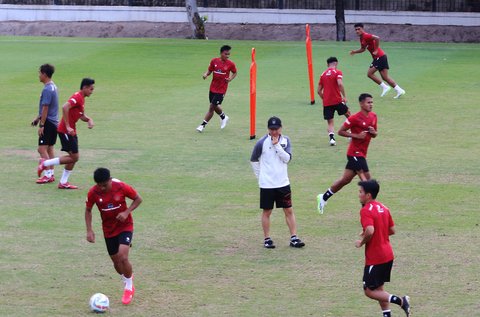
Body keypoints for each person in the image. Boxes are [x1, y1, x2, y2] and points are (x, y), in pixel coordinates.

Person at [85, 167, 143, 305]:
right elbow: (88, 210)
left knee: (123, 256)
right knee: (116, 262)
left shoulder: (121, 187)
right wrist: (89, 230)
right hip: (108, 230)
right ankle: (126, 278)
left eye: (105, 184)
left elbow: (138, 199)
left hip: (125, 226)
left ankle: (129, 287)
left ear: (110, 180)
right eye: (99, 185)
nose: (102, 188)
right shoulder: (93, 192)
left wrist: (126, 212)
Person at [354, 179, 411, 317]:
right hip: (388, 254)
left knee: (368, 290)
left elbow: (370, 230)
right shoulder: (384, 208)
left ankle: (401, 301)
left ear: (368, 195)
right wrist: (377, 232)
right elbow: (391, 230)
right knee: (379, 289)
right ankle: (387, 315)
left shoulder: (366, 210)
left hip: (376, 257)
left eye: (360, 192)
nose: (358, 194)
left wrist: (361, 242)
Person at [250, 116, 305, 249]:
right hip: (267, 185)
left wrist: (277, 146)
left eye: (276, 129)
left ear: (281, 128)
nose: (274, 132)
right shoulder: (261, 142)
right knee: (267, 211)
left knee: (288, 210)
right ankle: (267, 239)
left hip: (283, 183)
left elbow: (287, 159)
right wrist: (260, 177)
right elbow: (253, 160)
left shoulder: (286, 141)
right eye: (271, 129)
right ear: (268, 129)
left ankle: (294, 238)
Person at [317, 93, 377, 214]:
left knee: (345, 180)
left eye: (371, 102)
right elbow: (340, 131)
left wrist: (373, 132)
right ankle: (367, 211)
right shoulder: (354, 118)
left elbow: (375, 134)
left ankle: (323, 197)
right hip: (354, 153)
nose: (371, 104)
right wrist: (356, 136)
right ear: (361, 104)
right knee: (367, 183)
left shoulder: (374, 116)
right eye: (368, 102)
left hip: (362, 154)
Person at [37, 78, 95, 189]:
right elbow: (65, 107)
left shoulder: (82, 98)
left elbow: (81, 115)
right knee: (74, 157)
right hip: (65, 131)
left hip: (71, 131)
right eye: (91, 89)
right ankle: (44, 163)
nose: (92, 91)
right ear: (85, 87)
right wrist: (68, 126)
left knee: (74, 157)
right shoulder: (77, 96)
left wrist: (88, 119)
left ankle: (63, 182)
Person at [350, 23, 406, 99]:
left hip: (379, 57)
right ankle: (399, 90)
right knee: (385, 77)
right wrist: (355, 52)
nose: (357, 31)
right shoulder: (361, 38)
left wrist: (376, 50)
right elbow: (363, 49)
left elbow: (377, 38)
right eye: (356, 29)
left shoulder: (366, 35)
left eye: (359, 29)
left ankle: (385, 87)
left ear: (363, 29)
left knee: (369, 74)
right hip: (381, 57)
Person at [196, 45, 237, 132]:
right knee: (214, 106)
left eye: (229, 54)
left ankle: (202, 125)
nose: (227, 56)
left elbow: (235, 73)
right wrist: (206, 74)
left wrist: (230, 79)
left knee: (211, 107)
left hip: (221, 89)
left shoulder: (230, 64)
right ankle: (223, 117)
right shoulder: (214, 61)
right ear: (221, 53)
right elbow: (210, 70)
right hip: (212, 88)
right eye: (226, 54)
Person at [31, 63, 59, 184]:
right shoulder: (53, 86)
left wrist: (41, 125)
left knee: (41, 149)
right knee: (50, 149)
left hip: (48, 122)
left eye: (39, 73)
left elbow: (46, 108)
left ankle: (47, 175)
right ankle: (51, 174)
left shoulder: (47, 89)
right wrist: (38, 118)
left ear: (44, 74)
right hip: (54, 122)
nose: (39, 75)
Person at [317, 56, 350, 146]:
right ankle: (350, 135)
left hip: (327, 103)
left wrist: (325, 99)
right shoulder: (338, 72)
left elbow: (319, 91)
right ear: (336, 63)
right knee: (348, 114)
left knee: (330, 122)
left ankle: (332, 139)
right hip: (337, 100)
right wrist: (344, 96)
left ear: (327, 64)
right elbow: (340, 83)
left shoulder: (322, 74)